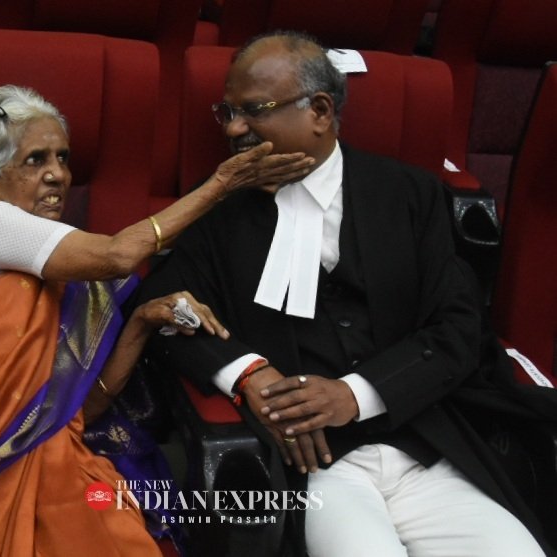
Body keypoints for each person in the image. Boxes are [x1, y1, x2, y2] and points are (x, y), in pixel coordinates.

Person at [138, 30, 557, 556]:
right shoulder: (219, 203)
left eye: (254, 110)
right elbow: (163, 310)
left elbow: (458, 329)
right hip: (315, 469)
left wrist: (354, 395)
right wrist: (249, 376)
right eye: (228, 112)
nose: (235, 129)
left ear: (318, 111)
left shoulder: (410, 195)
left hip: (424, 446)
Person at [0, 84, 313, 557]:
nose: (58, 175)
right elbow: (119, 254)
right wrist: (220, 186)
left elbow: (79, 413)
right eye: (36, 160)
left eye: (63, 158)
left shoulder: (63, 266)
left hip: (52, 462)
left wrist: (140, 323)